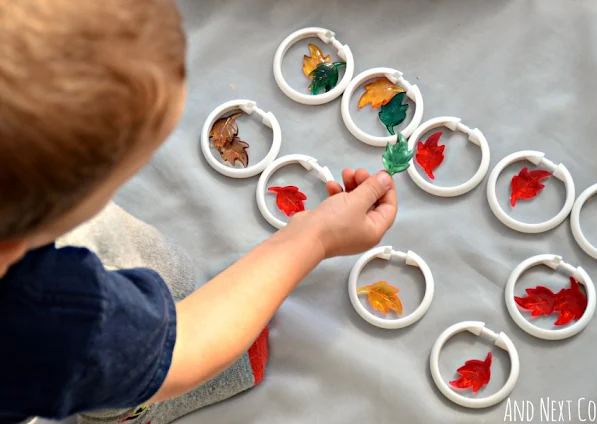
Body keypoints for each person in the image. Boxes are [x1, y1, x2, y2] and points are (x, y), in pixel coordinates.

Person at [0, 1, 398, 423]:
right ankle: (129, 411)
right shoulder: (59, 324)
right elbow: (188, 347)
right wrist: (313, 237)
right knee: (121, 369)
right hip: (46, 358)